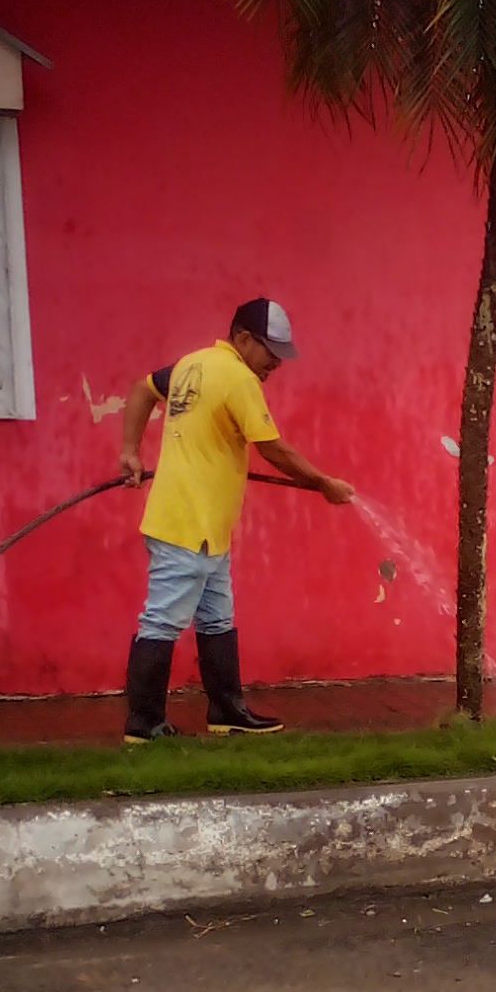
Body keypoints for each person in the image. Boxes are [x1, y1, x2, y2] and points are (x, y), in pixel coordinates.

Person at [118, 297, 353, 743]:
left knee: (217, 619)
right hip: (189, 524)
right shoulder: (238, 377)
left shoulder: (191, 364)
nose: (276, 364)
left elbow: (142, 389)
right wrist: (323, 483)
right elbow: (273, 448)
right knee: (162, 621)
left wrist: (130, 451)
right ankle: (143, 725)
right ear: (243, 339)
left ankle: (227, 711)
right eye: (270, 351)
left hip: (206, 526)